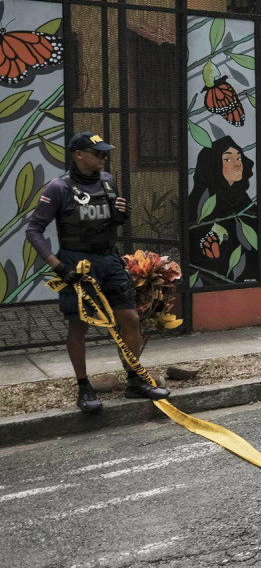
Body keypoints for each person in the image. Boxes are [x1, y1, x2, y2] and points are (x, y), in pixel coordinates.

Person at [25, 131, 169, 413]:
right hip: (77, 265)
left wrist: (120, 216)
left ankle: (135, 381)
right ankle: (83, 387)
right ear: (79, 155)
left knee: (130, 317)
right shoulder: (58, 188)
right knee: (79, 325)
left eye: (105, 153)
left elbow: (110, 220)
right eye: (98, 153)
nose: (104, 157)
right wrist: (58, 266)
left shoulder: (107, 181)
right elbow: (34, 230)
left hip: (109, 261)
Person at [187, 136, 258, 283]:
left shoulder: (243, 199)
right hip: (211, 278)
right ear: (213, 164)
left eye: (239, 158)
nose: (238, 164)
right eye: (228, 159)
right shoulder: (199, 202)